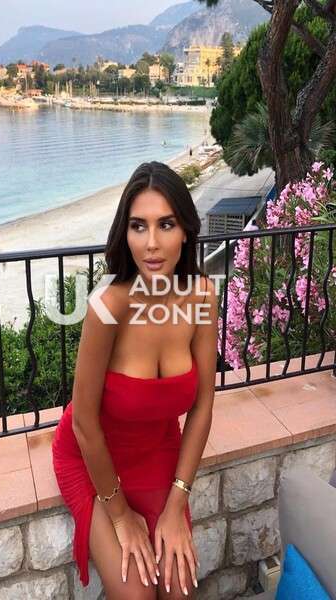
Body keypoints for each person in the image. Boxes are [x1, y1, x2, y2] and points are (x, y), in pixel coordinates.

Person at [52, 161, 218, 599]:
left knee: (178, 589)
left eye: (166, 224)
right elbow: (84, 423)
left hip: (158, 451)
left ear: (186, 230)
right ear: (124, 234)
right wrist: (121, 516)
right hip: (92, 458)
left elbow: (203, 405)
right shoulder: (107, 307)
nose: (151, 243)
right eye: (138, 226)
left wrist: (177, 503)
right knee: (137, 593)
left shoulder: (202, 296)